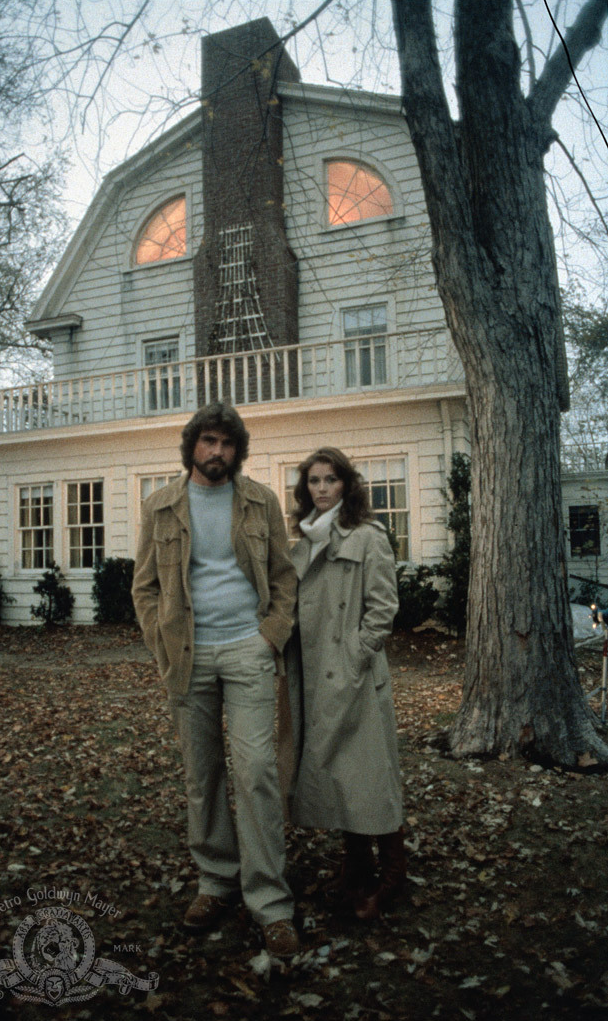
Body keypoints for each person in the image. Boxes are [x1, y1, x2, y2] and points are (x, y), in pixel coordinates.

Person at [132, 402, 300, 957]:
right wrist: (162, 643)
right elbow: (145, 587)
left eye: (226, 444)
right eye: (208, 442)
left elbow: (282, 575)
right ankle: (215, 881)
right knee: (202, 775)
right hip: (188, 657)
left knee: (255, 771)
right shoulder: (160, 507)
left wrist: (270, 635)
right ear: (192, 447)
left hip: (248, 651)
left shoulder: (260, 502)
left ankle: (270, 901)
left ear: (237, 450)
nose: (217, 452)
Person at [284, 447, 405, 921]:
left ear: (346, 485)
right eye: (313, 481)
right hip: (316, 675)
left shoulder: (368, 536)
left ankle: (393, 874)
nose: (321, 489)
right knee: (340, 775)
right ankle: (355, 866)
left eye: (330, 480)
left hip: (353, 676)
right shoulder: (304, 542)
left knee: (372, 777)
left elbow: (383, 608)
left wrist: (356, 655)